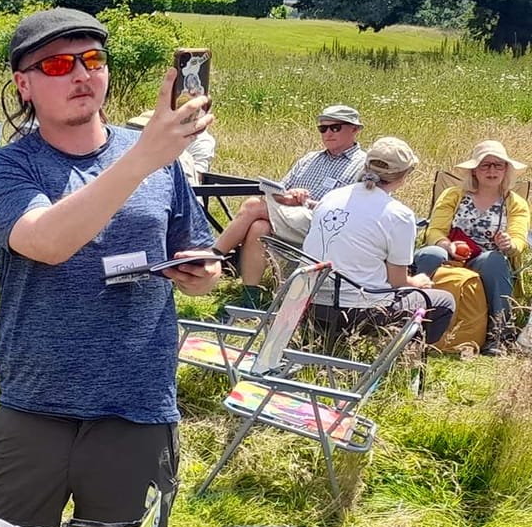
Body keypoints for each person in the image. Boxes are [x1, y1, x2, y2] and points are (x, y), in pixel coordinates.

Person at [0, 8, 221, 527]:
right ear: (24, 85)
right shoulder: (9, 166)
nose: (82, 74)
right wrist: (142, 160)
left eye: (93, 59)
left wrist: (202, 274)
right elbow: (46, 241)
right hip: (35, 409)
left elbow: (199, 253)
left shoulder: (158, 160)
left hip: (138, 410)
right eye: (59, 64)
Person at [306, 137, 455, 346]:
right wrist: (418, 282)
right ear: (404, 176)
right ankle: (404, 360)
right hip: (357, 311)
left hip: (308, 303)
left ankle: (331, 345)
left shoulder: (331, 197)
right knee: (444, 301)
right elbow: (398, 282)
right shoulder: (399, 215)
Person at [210, 105, 366, 297]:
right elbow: (279, 191)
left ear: (355, 129)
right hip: (292, 216)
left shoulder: (361, 165)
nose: (328, 133)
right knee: (258, 227)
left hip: (324, 224)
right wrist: (289, 195)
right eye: (322, 128)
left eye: (335, 128)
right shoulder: (310, 159)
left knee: (253, 205)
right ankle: (250, 297)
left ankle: (211, 257)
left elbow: (348, 211)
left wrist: (304, 202)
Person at [414, 140, 527, 355]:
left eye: (498, 165)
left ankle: (499, 336)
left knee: (492, 259)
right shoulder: (454, 195)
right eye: (485, 165)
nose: (492, 170)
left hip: (485, 259)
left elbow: (519, 239)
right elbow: (434, 231)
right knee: (431, 253)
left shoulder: (515, 203)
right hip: (449, 253)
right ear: (474, 170)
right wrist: (447, 245)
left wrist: (509, 244)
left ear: (506, 170)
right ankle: (408, 321)